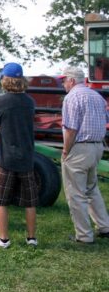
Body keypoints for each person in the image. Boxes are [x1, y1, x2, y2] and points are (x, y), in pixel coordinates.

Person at [0, 62, 38, 248]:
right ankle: (31, 238)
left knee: (0, 200)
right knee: (30, 202)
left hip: (5, 158)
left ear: (4, 80)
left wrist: (1, 130)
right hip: (26, 157)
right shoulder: (30, 102)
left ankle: (4, 239)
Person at [60, 66, 109, 243]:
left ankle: (84, 235)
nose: (63, 84)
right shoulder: (97, 96)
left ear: (72, 80)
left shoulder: (72, 97)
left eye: (64, 80)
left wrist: (66, 150)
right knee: (91, 188)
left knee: (75, 193)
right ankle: (104, 226)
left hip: (79, 147)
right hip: (97, 146)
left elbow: (71, 129)